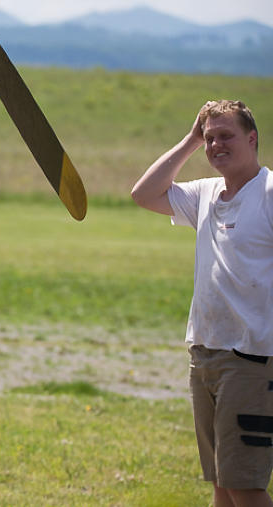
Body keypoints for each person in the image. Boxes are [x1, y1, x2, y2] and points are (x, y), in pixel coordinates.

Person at [131, 100, 273, 507]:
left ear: (252, 138)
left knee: (245, 485)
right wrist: (191, 139)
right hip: (205, 353)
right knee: (220, 483)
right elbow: (144, 193)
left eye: (225, 136)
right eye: (210, 138)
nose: (216, 145)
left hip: (252, 358)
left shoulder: (269, 192)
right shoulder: (206, 193)